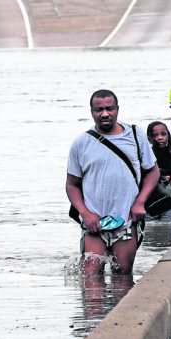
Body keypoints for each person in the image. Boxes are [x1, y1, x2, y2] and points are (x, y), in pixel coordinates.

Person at [66, 89, 160, 276]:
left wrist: (140, 202)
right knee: (91, 279)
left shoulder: (135, 135)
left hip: (127, 221)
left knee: (123, 277)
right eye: (98, 110)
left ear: (117, 109)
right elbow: (72, 185)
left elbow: (153, 172)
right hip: (94, 224)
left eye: (109, 108)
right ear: (91, 111)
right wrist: (85, 213)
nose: (104, 114)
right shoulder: (81, 143)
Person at [145, 121, 171, 222]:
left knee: (169, 231)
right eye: (155, 135)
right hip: (149, 203)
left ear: (168, 136)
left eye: (163, 134)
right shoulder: (146, 157)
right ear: (150, 138)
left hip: (168, 202)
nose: (160, 138)